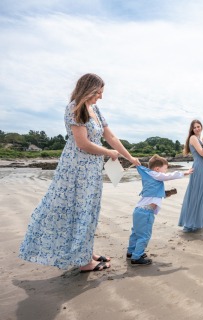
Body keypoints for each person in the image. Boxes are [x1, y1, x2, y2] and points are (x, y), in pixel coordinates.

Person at [19, 73, 141, 272]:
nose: (100, 96)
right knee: (79, 210)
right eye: (98, 92)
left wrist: (130, 157)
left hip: (92, 170)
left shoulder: (95, 109)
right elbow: (82, 144)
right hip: (75, 170)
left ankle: (85, 251)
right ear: (88, 89)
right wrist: (108, 152)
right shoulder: (74, 108)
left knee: (90, 210)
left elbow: (110, 136)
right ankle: (84, 262)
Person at [127, 155, 193, 266]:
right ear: (157, 169)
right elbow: (169, 176)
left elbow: (154, 194)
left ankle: (131, 252)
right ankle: (137, 257)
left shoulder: (149, 177)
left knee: (136, 233)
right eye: (165, 169)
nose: (165, 172)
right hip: (146, 212)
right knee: (144, 235)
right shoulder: (156, 175)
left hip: (138, 210)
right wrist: (184, 173)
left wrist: (166, 194)